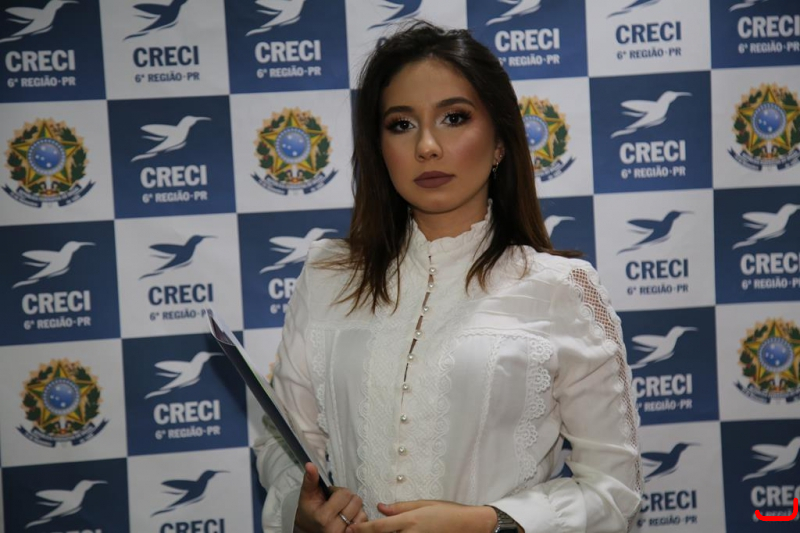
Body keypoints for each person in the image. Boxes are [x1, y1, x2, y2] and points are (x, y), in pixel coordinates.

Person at [254, 21, 643, 533]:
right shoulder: (328, 274)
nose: (427, 146)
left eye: (454, 118)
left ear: (500, 141)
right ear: (379, 148)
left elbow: (615, 490)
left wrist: (488, 523)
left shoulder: (562, 289)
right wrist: (301, 509)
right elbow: (283, 444)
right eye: (401, 124)